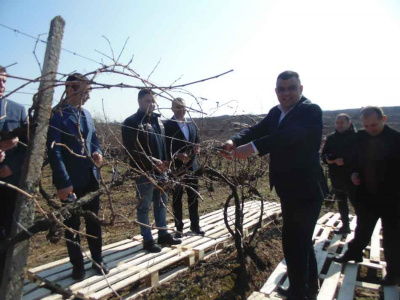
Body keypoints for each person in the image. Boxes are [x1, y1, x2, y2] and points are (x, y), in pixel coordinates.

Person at [221, 71, 326, 300]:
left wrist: (253, 148)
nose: (286, 93)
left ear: (301, 88)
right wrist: (235, 140)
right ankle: (309, 286)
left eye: (291, 88)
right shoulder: (276, 112)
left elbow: (288, 136)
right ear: (276, 91)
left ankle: (299, 293)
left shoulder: (310, 111)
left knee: (294, 241)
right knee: (300, 239)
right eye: (281, 89)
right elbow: (257, 129)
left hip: (307, 188)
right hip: (288, 188)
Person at [47, 73, 109, 281]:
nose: (89, 96)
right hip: (70, 183)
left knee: (93, 222)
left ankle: (97, 259)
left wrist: (98, 153)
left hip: (91, 178)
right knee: (72, 226)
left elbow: (95, 141)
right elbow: (54, 151)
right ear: (71, 88)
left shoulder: (88, 115)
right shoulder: (58, 115)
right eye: (86, 91)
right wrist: (64, 183)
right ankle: (78, 266)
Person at [333, 107, 400, 286]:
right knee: (362, 227)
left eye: (374, 125)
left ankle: (393, 273)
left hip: (392, 196)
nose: (370, 128)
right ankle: (353, 253)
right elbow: (355, 159)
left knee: (392, 236)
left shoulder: (396, 139)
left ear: (383, 119)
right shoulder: (360, 137)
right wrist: (354, 172)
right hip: (367, 193)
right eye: (366, 125)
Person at [121, 89, 181, 253]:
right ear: (139, 102)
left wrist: (167, 163)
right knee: (144, 206)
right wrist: (152, 163)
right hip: (144, 172)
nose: (152, 104)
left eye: (154, 101)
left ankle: (163, 234)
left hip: (162, 171)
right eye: (148, 101)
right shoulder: (131, 122)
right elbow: (132, 150)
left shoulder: (159, 122)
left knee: (162, 203)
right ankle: (147, 240)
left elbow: (164, 144)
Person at [0, 65, 27, 282]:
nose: (1, 85)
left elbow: (29, 147)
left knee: (9, 232)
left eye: (4, 81)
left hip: (10, 181)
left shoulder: (17, 110)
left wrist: (12, 167)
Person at [164, 98, 204, 238]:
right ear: (172, 108)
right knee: (177, 198)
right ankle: (179, 228)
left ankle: (195, 225)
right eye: (178, 107)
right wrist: (176, 155)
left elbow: (196, 140)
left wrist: (197, 147)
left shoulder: (191, 124)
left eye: (183, 107)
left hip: (192, 166)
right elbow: (165, 147)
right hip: (177, 168)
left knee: (193, 197)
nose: (181, 109)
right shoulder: (168, 125)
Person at [321, 113, 357, 234]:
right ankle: (345, 226)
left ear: (349, 123)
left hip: (353, 177)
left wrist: (345, 161)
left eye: (342, 123)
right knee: (341, 203)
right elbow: (323, 155)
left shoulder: (356, 137)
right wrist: (328, 160)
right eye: (337, 123)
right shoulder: (331, 138)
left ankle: (361, 232)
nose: (339, 125)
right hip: (336, 176)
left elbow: (361, 157)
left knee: (357, 205)